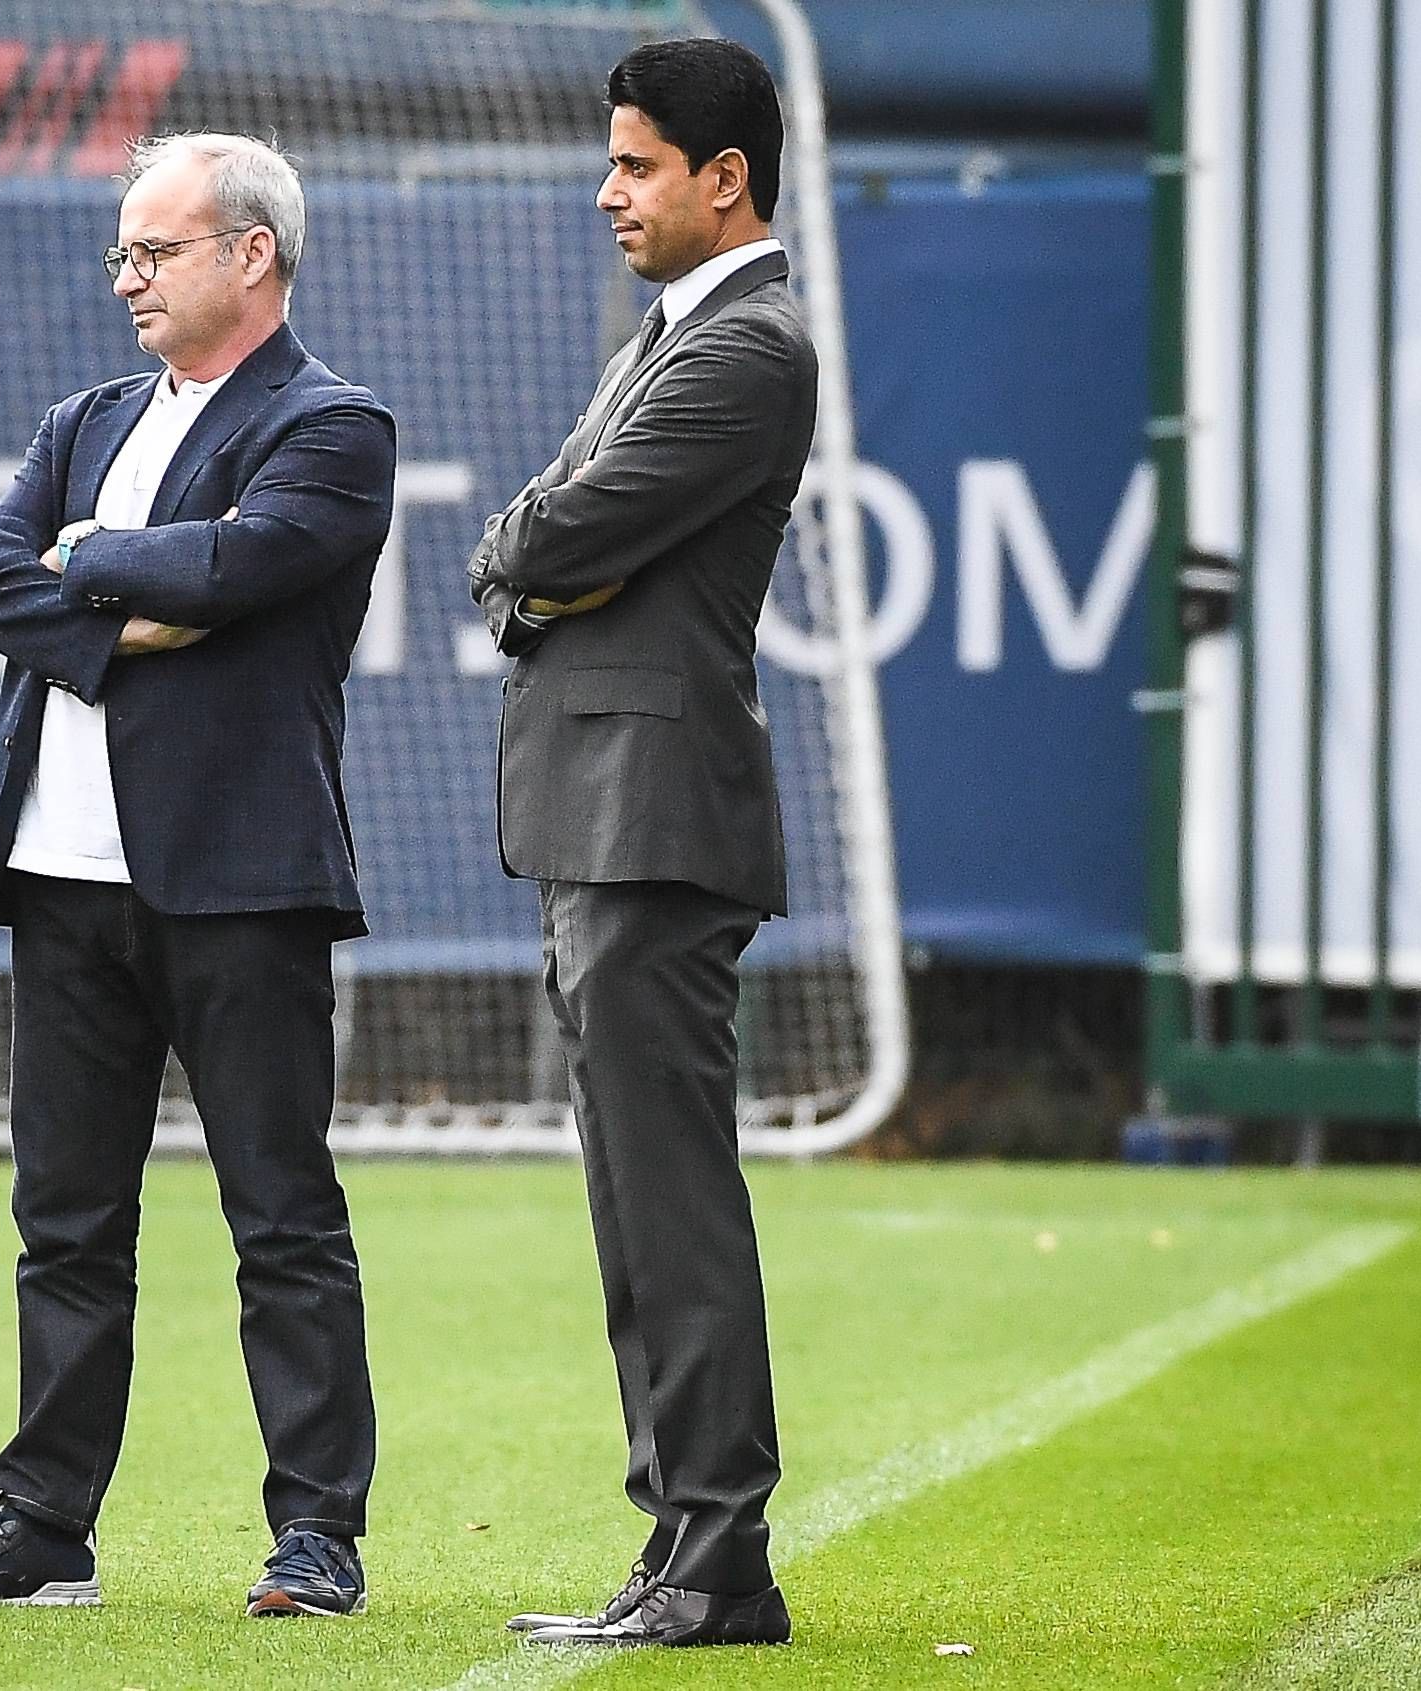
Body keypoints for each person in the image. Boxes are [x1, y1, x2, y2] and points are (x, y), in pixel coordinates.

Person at [0, 132, 394, 1620]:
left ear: (254, 253)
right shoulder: (86, 417)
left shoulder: (334, 424)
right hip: (59, 881)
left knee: (282, 1220)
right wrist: (130, 603)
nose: (128, 277)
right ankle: (43, 1531)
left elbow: (241, 577)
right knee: (68, 1222)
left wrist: (93, 560)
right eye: (123, 252)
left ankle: (317, 1537)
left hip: (241, 878)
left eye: (156, 251)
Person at [467, 38, 814, 1650]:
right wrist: (535, 562)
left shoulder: (745, 349)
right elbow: (538, 542)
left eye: (635, 164)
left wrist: (532, 563)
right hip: (604, 823)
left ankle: (715, 1560)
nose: (607, 192)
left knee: (667, 1201)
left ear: (721, 178)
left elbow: (552, 533)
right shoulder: (677, 335)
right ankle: (684, 1545)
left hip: (654, 826)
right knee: (638, 1197)